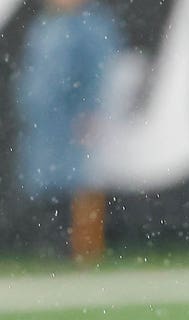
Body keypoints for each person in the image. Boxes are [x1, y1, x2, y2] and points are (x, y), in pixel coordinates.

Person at [14, 0, 122, 263]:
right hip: (46, 124)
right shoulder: (45, 25)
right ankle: (54, 248)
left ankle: (87, 250)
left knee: (84, 183)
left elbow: (101, 72)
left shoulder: (92, 25)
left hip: (77, 121)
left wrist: (92, 111)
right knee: (52, 185)